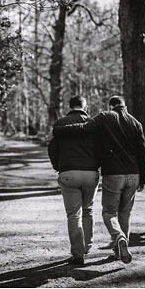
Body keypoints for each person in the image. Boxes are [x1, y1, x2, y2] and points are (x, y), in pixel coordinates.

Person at [53, 96, 145, 264]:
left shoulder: (105, 117)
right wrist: (143, 179)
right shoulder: (136, 123)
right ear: (124, 105)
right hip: (133, 174)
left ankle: (107, 242)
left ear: (110, 106)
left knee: (106, 212)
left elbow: (83, 128)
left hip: (111, 173)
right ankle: (117, 250)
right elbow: (143, 153)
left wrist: (59, 130)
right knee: (123, 213)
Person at [47, 95, 101, 265]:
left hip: (68, 173)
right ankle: (87, 246)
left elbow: (52, 148)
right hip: (91, 173)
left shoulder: (60, 123)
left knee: (73, 215)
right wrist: (97, 165)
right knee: (88, 210)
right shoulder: (93, 124)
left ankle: (78, 253)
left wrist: (58, 166)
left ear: (70, 106)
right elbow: (102, 148)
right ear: (85, 107)